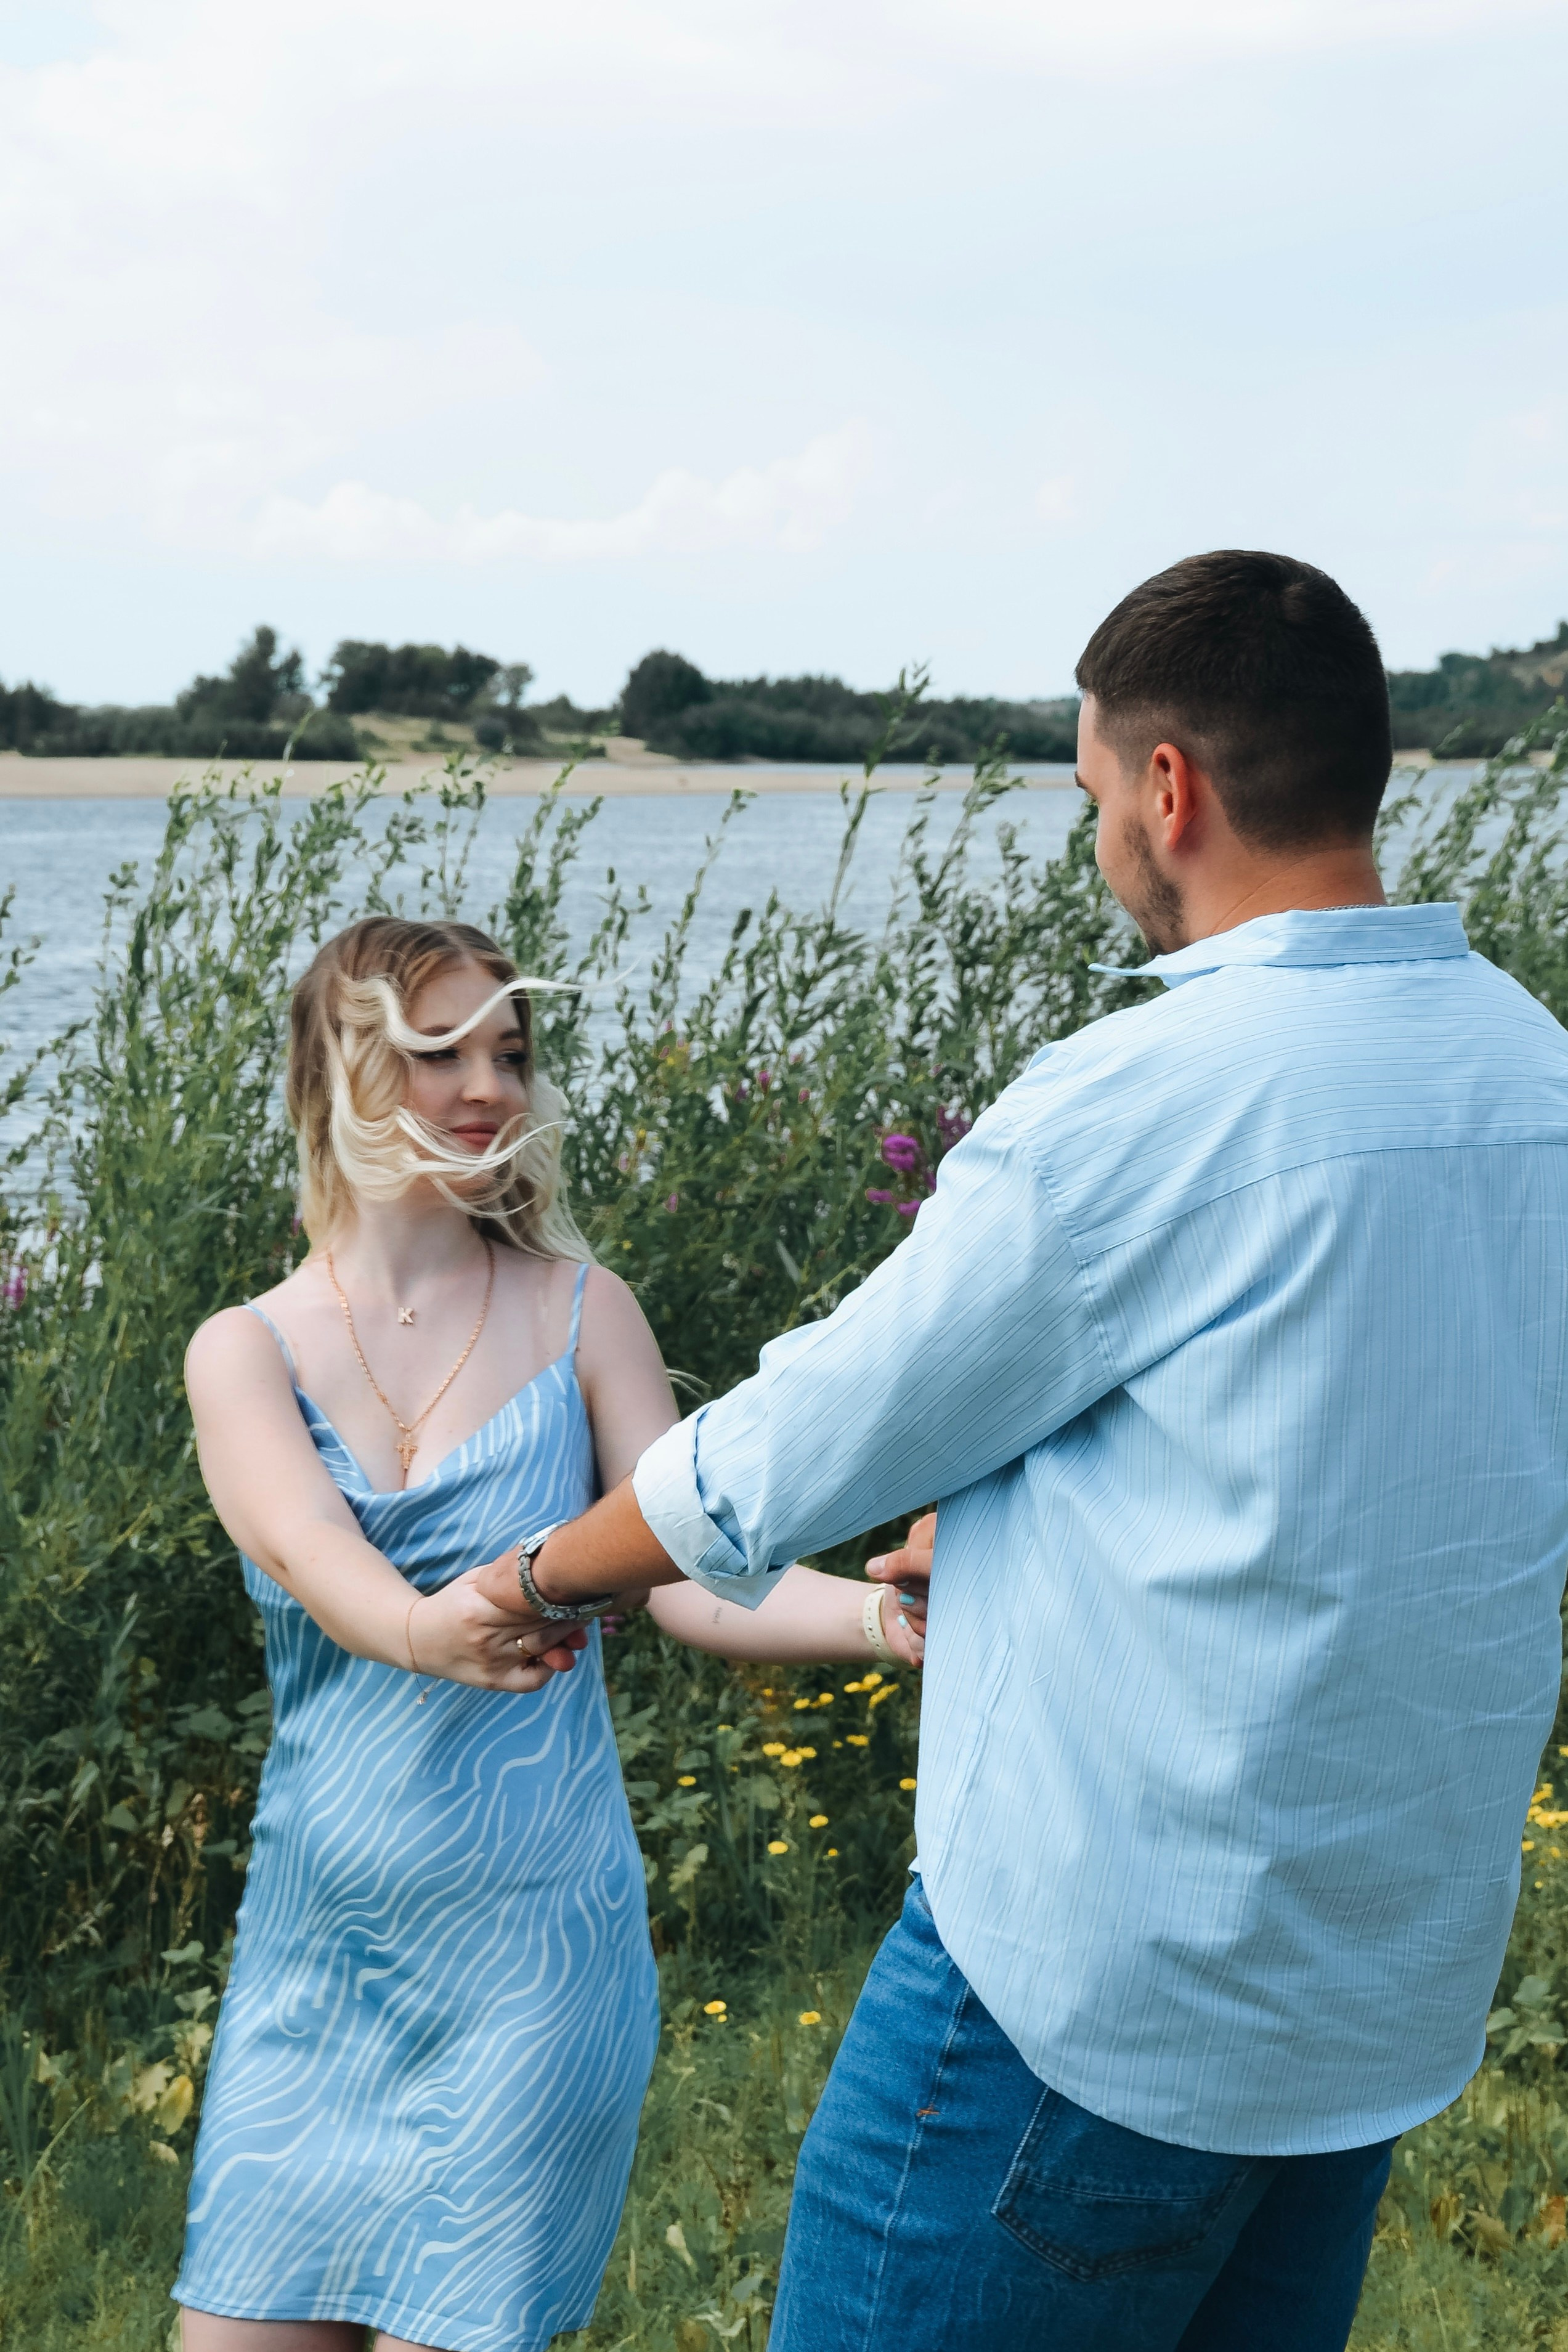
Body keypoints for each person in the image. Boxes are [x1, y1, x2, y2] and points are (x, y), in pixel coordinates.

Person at [474, 551, 1568, 2351]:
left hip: (1111, 1993)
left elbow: (799, 1442)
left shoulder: (1144, 1098)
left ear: (1167, 789)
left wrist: (534, 1577)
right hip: (1373, 1991)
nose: (1095, 848)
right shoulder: (1529, 1077)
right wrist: (1015, 1548)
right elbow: (1364, 1478)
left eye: (1085, 798)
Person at [173, 915, 925, 2352]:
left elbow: (697, 1575)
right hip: (314, 1964)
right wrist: (428, 1623)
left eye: (508, 1054)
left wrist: (886, 1620)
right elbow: (317, 1557)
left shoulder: (586, 1312)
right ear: (334, 1071)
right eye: (437, 1050)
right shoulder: (244, 1347)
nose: (488, 1086)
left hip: (537, 1961)